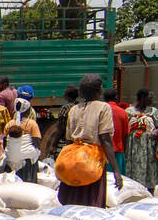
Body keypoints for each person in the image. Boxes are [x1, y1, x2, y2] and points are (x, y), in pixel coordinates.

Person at [57, 74, 122, 207]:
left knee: (72, 200)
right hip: (92, 160)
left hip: (74, 157)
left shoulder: (74, 109)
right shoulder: (103, 108)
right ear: (99, 90)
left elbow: (69, 140)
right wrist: (116, 170)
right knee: (91, 201)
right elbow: (105, 139)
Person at [125, 88, 158, 191]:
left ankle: (150, 191)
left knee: (149, 167)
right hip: (134, 146)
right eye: (149, 98)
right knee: (135, 166)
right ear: (142, 98)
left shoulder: (153, 111)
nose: (151, 101)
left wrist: (156, 131)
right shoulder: (129, 111)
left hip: (149, 146)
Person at [3, 97, 42, 182]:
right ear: (28, 111)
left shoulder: (9, 124)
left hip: (11, 158)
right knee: (34, 154)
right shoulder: (32, 124)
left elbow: (5, 143)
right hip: (27, 160)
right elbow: (37, 142)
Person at [39, 84, 80, 161]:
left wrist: (54, 144)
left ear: (66, 96)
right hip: (78, 142)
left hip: (66, 141)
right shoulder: (80, 107)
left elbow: (61, 128)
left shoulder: (65, 108)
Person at [103, 87, 129, 175]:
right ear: (116, 98)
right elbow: (126, 135)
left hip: (102, 151)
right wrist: (124, 151)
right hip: (118, 151)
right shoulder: (123, 112)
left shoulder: (100, 111)